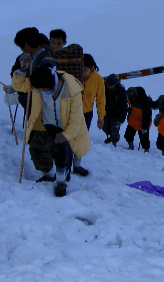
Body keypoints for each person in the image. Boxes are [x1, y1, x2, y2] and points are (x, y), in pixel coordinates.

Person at [24, 66, 91, 197]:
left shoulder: (71, 89)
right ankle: (48, 175)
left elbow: (76, 119)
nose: (39, 91)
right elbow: (21, 86)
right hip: (48, 124)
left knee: (62, 151)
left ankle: (61, 182)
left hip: (68, 127)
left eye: (42, 89)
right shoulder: (40, 83)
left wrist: (66, 135)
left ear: (50, 84)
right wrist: (19, 74)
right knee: (36, 147)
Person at [5, 28, 56, 111]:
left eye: (21, 46)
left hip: (45, 113)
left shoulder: (47, 61)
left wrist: (21, 98)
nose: (21, 49)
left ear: (26, 45)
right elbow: (16, 75)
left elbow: (44, 88)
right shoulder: (24, 58)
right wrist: (15, 88)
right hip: (34, 112)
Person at [77, 54, 106, 175]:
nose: (83, 72)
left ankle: (76, 164)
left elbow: (100, 99)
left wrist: (101, 117)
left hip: (86, 114)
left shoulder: (98, 79)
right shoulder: (74, 75)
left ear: (92, 67)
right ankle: (64, 164)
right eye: (81, 69)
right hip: (71, 112)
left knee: (80, 140)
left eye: (85, 69)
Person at [125, 87, 153, 151]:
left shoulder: (145, 101)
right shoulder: (131, 97)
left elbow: (147, 115)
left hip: (142, 123)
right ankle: (130, 146)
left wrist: (145, 126)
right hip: (132, 121)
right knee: (128, 135)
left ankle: (146, 150)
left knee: (144, 139)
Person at [103, 74, 127, 146]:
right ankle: (110, 136)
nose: (109, 86)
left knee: (115, 131)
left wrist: (121, 119)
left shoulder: (121, 91)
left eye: (111, 84)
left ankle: (114, 143)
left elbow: (124, 106)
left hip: (116, 115)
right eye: (108, 84)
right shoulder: (104, 88)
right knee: (104, 128)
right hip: (106, 112)